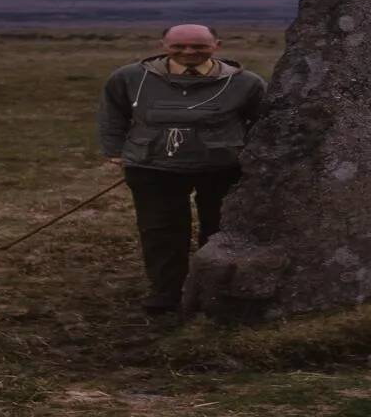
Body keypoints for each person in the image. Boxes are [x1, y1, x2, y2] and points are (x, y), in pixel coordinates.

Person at [98, 23, 266, 314]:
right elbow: (113, 115)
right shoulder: (128, 78)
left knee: (220, 230)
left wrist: (253, 156)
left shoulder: (247, 82)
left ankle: (214, 293)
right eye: (179, 46)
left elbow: (263, 122)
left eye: (199, 46)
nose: (189, 52)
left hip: (223, 168)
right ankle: (166, 293)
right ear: (164, 45)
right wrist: (114, 151)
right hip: (152, 167)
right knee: (161, 232)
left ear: (217, 46)